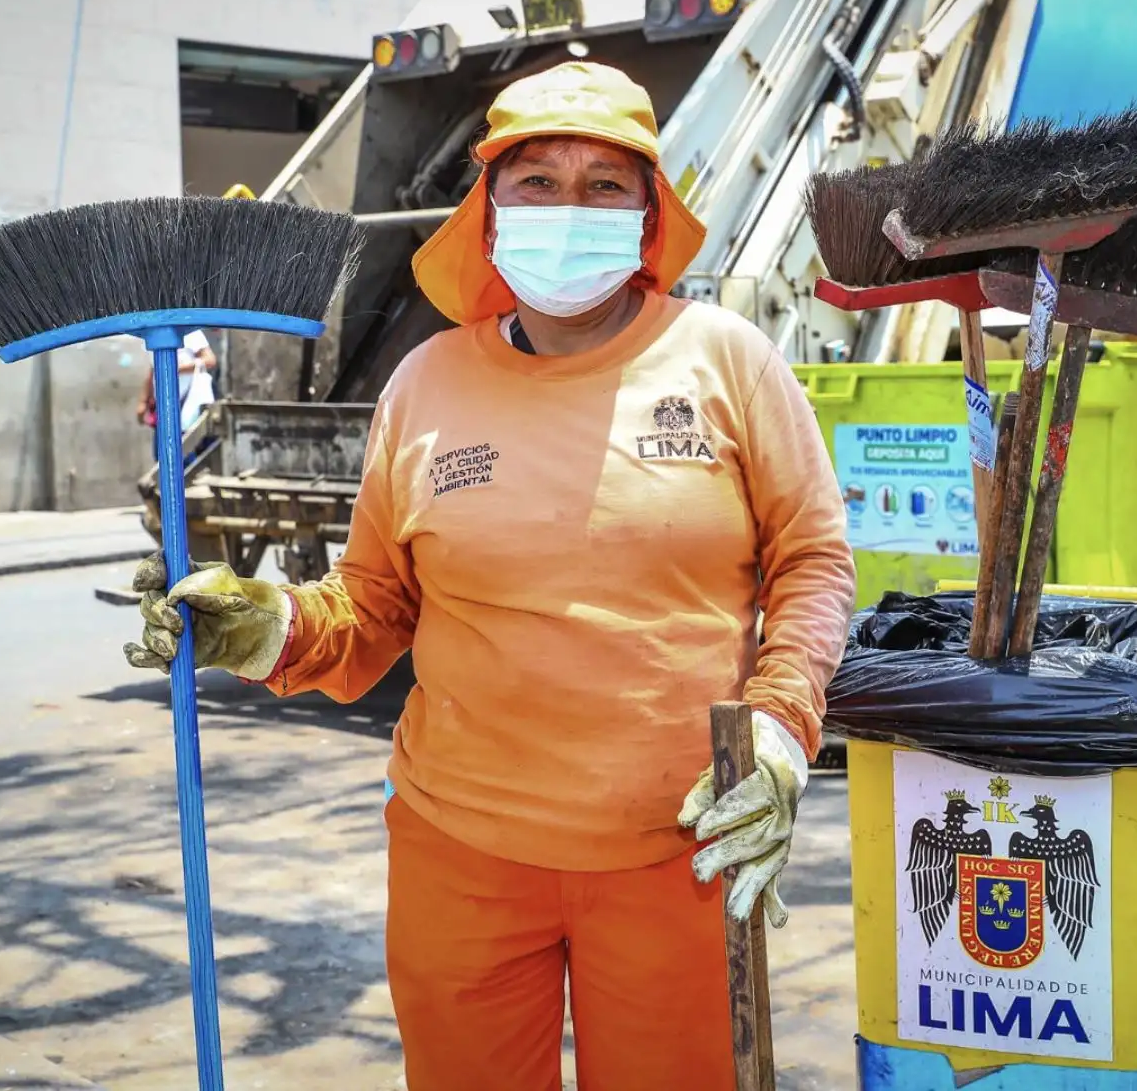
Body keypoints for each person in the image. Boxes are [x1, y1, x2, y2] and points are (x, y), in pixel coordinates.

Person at [125, 62, 856, 1090]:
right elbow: (374, 605)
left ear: (650, 214)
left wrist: (782, 728)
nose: (570, 206)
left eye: (606, 183)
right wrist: (269, 624)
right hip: (457, 853)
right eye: (537, 180)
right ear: (489, 206)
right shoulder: (426, 383)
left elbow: (813, 559)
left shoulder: (729, 362)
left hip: (680, 850)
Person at [135, 329, 217, 431]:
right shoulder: (154, 334)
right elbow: (153, 370)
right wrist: (143, 402)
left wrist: (177, 368)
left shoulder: (191, 332)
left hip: (187, 403)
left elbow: (210, 360)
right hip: (163, 407)